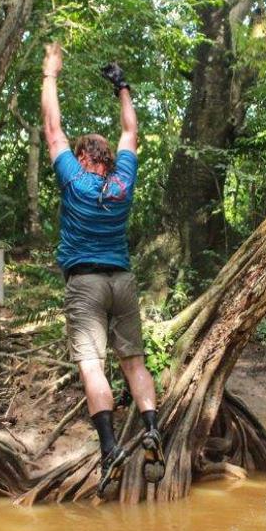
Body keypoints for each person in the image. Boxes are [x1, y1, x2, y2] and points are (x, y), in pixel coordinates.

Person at [40, 42, 164, 492]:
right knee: (133, 361)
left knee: (92, 365)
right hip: (123, 281)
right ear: (107, 157)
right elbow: (131, 132)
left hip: (86, 283)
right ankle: (151, 428)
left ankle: (110, 447)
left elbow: (52, 129)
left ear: (83, 157)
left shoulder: (74, 180)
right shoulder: (123, 181)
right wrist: (122, 86)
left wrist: (51, 73)